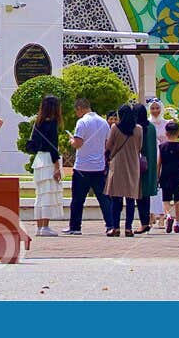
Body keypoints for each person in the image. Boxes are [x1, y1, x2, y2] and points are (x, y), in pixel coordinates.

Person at [65, 97, 113, 235]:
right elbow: (107, 143)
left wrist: (71, 141)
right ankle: (110, 224)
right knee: (103, 198)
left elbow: (78, 143)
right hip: (98, 166)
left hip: (82, 166)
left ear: (80, 108)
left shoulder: (82, 122)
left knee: (78, 199)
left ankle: (75, 227)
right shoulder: (103, 122)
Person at [26, 95, 64, 236]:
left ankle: (39, 227)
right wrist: (57, 167)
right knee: (48, 194)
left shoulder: (38, 122)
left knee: (40, 194)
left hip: (39, 159)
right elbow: (53, 147)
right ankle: (45, 227)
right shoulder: (52, 123)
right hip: (49, 160)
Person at [103, 103, 143, 235]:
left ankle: (115, 228)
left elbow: (109, 145)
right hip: (133, 164)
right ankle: (128, 228)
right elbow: (140, 146)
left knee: (116, 198)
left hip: (118, 164)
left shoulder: (115, 128)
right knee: (130, 198)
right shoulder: (138, 129)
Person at [133, 101, 158, 233]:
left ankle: (144, 222)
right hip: (151, 163)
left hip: (139, 165)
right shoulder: (152, 127)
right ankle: (146, 221)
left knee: (139, 195)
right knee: (146, 196)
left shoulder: (138, 128)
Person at [146, 98, 168, 223]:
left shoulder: (167, 123)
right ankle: (150, 215)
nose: (155, 111)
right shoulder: (147, 124)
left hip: (163, 159)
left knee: (162, 187)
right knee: (151, 187)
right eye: (152, 108)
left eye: (157, 108)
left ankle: (162, 215)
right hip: (150, 158)